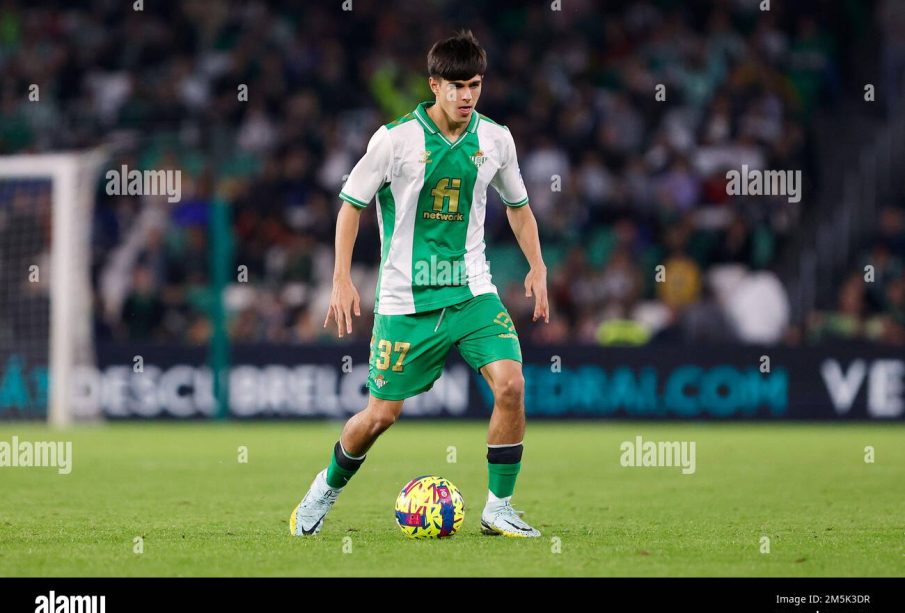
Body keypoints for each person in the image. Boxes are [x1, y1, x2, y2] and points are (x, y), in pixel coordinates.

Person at [290, 30, 548, 538]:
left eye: (474, 85)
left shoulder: (497, 139)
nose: (467, 96)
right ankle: (325, 488)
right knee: (380, 416)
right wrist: (341, 277)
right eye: (456, 86)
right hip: (405, 301)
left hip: (472, 292)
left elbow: (518, 208)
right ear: (434, 85)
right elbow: (350, 206)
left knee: (512, 385)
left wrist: (537, 265)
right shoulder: (395, 140)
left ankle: (498, 508)